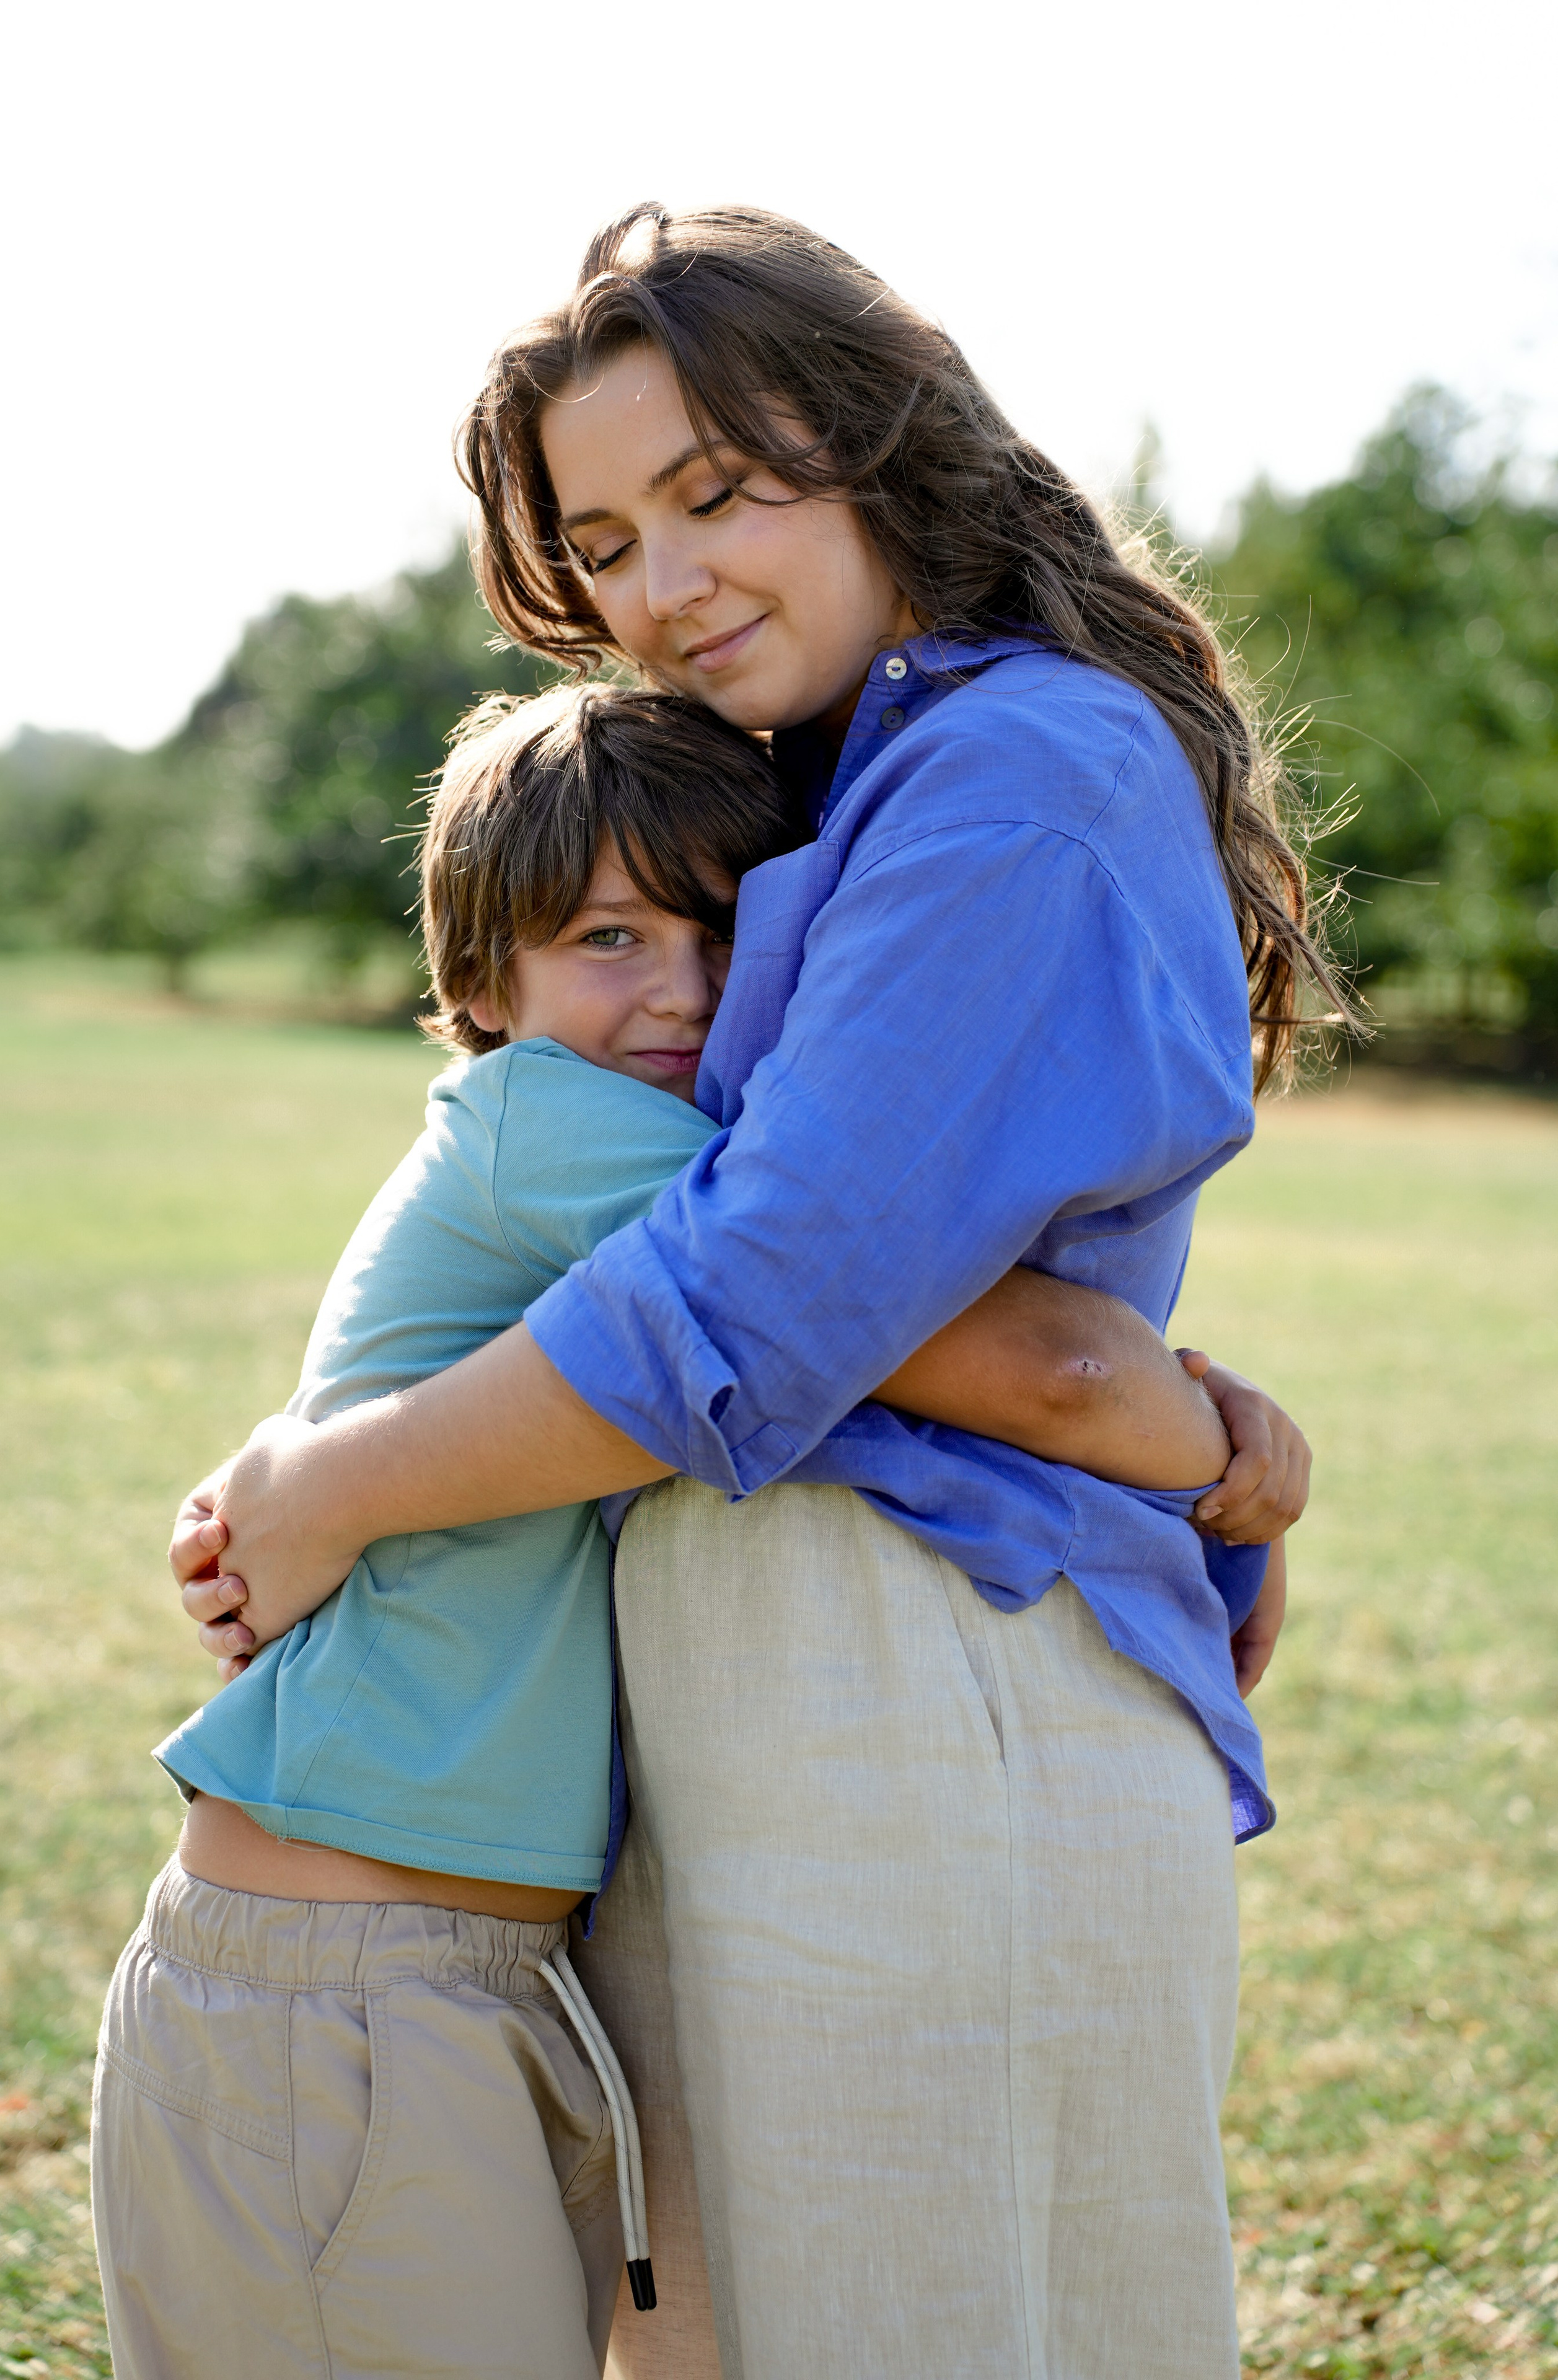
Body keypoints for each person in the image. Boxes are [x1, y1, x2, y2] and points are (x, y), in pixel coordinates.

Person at [174, 205, 1327, 2379]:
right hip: (792, 1694)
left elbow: (770, 1291)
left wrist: (335, 1488)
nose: (664, 586)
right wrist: (1191, 1420)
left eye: (721, 495)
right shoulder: (854, 766)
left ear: (886, 445)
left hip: (922, 1685)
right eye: (605, 542)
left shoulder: (1018, 768)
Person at [102, 680, 1248, 2380]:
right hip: (338, 1986)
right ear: (484, 989)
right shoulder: (552, 1126)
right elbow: (1024, 1364)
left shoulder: (603, 1136)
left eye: (721, 933)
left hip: (450, 1969)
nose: (680, 992)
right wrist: (1235, 1449)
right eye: (606, 940)